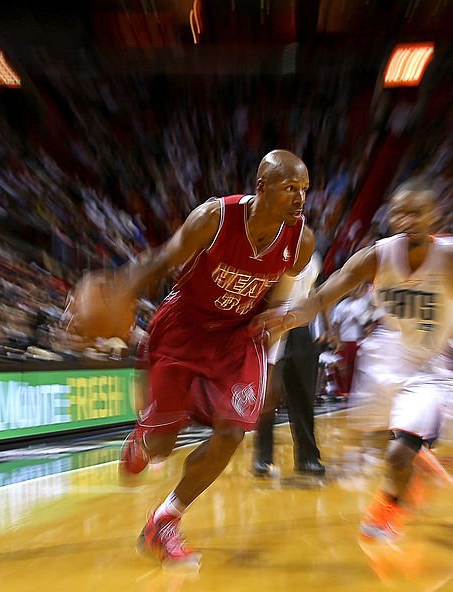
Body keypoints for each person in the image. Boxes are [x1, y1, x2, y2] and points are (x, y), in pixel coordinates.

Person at [257, 177, 453, 541]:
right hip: (386, 353)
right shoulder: (377, 255)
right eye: (399, 213)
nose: (407, 220)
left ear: (432, 216)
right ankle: (421, 460)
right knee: (376, 442)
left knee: (397, 455)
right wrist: (288, 316)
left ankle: (387, 511)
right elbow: (321, 298)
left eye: (416, 213)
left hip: (429, 364)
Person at [73, 150, 315, 568]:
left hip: (238, 337)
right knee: (163, 443)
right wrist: (117, 291)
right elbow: (163, 260)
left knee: (233, 432)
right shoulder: (215, 218)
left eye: (304, 190)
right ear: (262, 188)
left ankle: (164, 521)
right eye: (290, 188)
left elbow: (279, 299)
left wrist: (273, 353)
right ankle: (145, 440)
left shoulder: (301, 242)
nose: (300, 199)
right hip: (185, 327)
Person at [253, 250, 327, 477]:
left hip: (300, 328)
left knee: (303, 396)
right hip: (273, 325)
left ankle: (307, 457)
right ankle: (262, 458)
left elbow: (315, 292)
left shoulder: (314, 257)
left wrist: (324, 327)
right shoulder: (272, 253)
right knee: (268, 396)